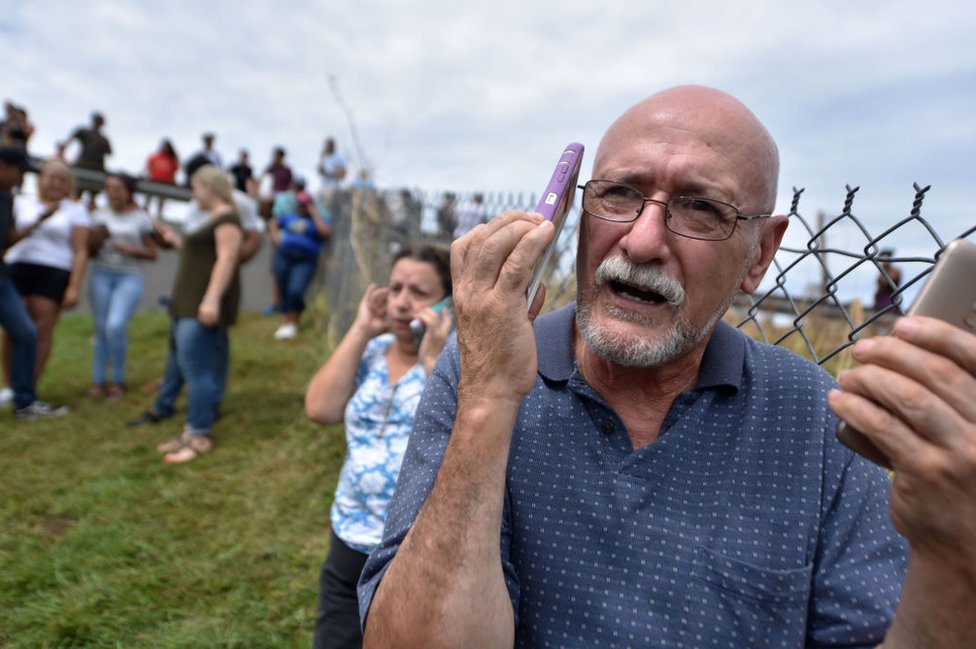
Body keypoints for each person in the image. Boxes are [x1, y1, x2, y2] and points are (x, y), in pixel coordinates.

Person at [358, 86, 976, 647]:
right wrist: (489, 399)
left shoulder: (815, 418)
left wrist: (952, 561)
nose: (642, 240)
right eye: (619, 193)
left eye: (702, 208)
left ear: (760, 254)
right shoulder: (482, 365)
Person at [305, 243, 453, 649]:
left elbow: (465, 445)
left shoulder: (457, 364)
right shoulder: (372, 351)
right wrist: (362, 329)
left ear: (447, 303)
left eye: (419, 292)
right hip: (350, 533)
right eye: (396, 288)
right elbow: (320, 408)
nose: (402, 302)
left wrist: (433, 363)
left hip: (410, 548)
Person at [136, 165, 243, 464]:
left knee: (197, 370)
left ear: (208, 187)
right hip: (187, 302)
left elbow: (227, 259)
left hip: (199, 305)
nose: (193, 194)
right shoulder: (213, 218)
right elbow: (204, 256)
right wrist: (176, 241)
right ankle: (191, 431)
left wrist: (211, 300)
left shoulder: (227, 218)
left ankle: (199, 436)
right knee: (192, 364)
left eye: (195, 187)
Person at [3, 159, 91, 391]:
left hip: (54, 270)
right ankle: (10, 385)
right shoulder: (23, 202)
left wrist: (74, 286)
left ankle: (28, 387)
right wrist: (40, 218)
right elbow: (9, 235)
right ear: (41, 179)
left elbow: (81, 251)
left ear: (69, 184)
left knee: (41, 329)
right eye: (51, 178)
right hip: (19, 265)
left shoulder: (75, 210)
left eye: (62, 180)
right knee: (14, 327)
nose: (56, 184)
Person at [0, 145, 68, 419]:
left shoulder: (8, 199)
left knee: (27, 333)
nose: (20, 178)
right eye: (18, 172)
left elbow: (8, 239)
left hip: (2, 277)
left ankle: (24, 402)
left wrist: (40, 220)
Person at [87, 172, 157, 400]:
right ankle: (98, 381)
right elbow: (88, 251)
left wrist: (130, 250)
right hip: (101, 273)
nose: (112, 193)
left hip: (129, 276)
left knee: (115, 326)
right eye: (108, 188)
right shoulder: (98, 215)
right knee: (101, 328)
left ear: (128, 192)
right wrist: (95, 240)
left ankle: (118, 381)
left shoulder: (141, 218)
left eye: (117, 188)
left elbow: (152, 252)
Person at [268, 191, 331, 340]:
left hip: (305, 259)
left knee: (296, 289)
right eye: (300, 204)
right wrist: (277, 239)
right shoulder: (289, 216)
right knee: (283, 285)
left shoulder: (318, 219)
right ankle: (285, 321)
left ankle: (293, 322)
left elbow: (325, 233)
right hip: (284, 255)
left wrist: (314, 213)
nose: (302, 207)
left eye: (305, 204)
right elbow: (273, 223)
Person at [60, 111, 112, 209]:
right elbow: (68, 142)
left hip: (97, 169)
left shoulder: (103, 139)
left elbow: (109, 152)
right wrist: (63, 155)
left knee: (92, 198)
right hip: (82, 166)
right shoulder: (84, 132)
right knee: (76, 194)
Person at [143, 139, 180, 216]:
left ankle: (159, 215)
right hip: (153, 181)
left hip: (165, 182)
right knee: (148, 197)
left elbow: (174, 171)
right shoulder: (154, 157)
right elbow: (147, 168)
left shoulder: (172, 159)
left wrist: (173, 181)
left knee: (161, 200)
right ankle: (144, 213)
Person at [316, 137, 347, 210]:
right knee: (319, 204)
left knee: (328, 206)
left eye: (328, 145)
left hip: (334, 185)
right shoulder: (324, 156)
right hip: (323, 184)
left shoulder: (339, 157)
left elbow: (343, 175)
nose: (326, 147)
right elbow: (319, 171)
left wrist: (329, 173)